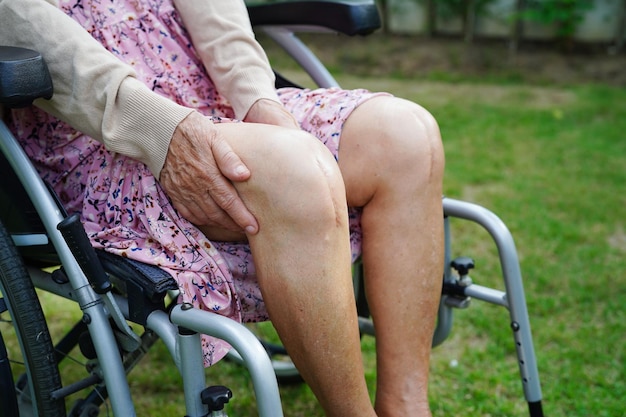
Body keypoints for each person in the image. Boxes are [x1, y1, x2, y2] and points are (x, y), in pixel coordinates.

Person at [0, 0, 445, 416]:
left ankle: (406, 406)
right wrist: (159, 128)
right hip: (99, 129)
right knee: (295, 174)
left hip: (205, 85)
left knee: (407, 137)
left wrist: (256, 98)